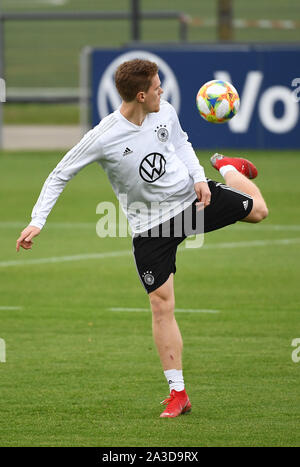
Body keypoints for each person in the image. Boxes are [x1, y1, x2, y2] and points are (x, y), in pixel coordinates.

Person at [16, 59, 268, 418]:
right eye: (157, 86)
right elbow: (60, 174)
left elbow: (181, 143)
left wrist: (199, 174)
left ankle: (228, 166)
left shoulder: (164, 111)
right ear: (140, 94)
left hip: (190, 201)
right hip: (151, 228)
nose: (162, 91)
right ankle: (178, 393)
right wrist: (37, 220)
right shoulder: (104, 136)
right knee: (161, 305)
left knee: (259, 211)